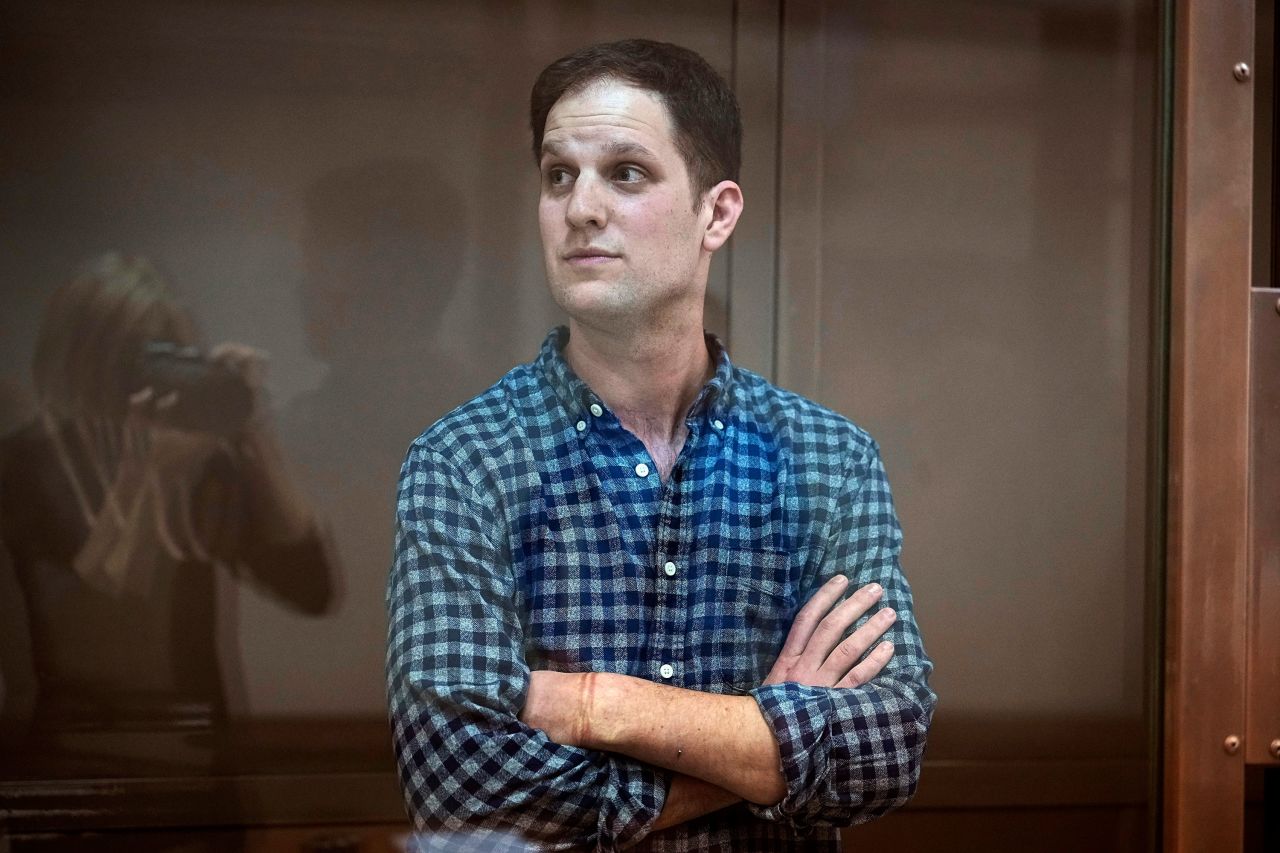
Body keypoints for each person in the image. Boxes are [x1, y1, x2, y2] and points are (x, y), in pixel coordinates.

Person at [386, 39, 935, 851]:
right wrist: (760, 733)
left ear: (716, 212)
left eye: (626, 173)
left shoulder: (828, 458)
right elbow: (461, 782)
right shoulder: (464, 462)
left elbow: (887, 745)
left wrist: (596, 706)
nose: (580, 207)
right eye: (558, 174)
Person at [0, 253, 335, 767]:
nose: (153, 379)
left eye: (173, 355)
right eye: (140, 355)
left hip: (200, 758)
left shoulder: (198, 461)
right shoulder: (25, 466)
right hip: (78, 762)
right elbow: (90, 634)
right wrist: (146, 476)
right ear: (88, 356)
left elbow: (309, 587)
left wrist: (254, 428)